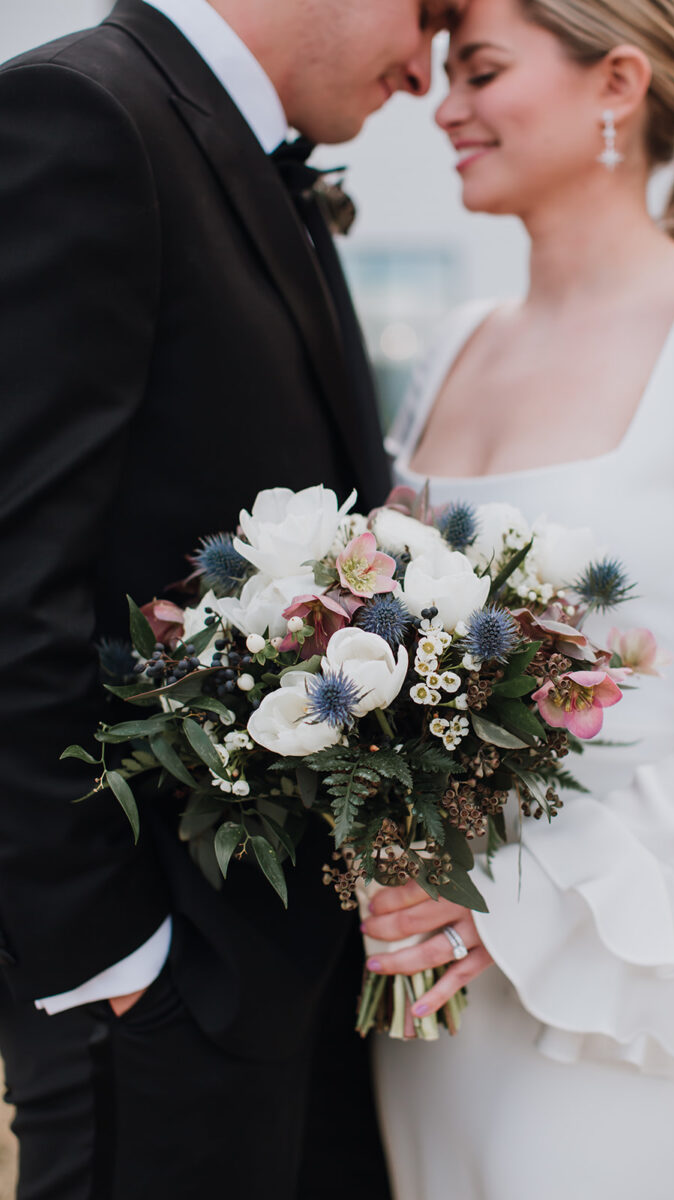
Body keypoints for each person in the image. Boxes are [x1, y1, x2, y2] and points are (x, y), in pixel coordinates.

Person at [0, 0, 466, 1195]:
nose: (425, 73)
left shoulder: (250, 158)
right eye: (430, 15)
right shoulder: (83, 116)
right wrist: (118, 958)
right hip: (158, 991)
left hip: (290, 987)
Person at [361, 0, 674, 1195]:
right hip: (425, 966)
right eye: (445, 71)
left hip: (621, 971)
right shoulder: (454, 339)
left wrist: (524, 905)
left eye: (482, 70)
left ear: (616, 84)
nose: (442, 104)